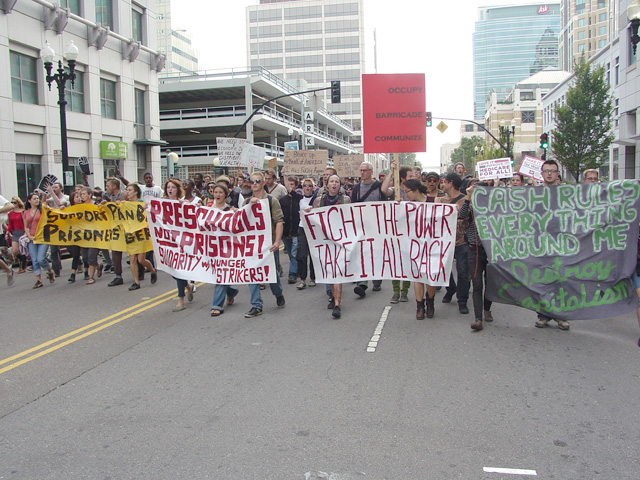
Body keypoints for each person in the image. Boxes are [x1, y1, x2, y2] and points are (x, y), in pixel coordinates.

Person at [243, 171, 285, 318]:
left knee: (271, 275)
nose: (254, 184)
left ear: (263, 183)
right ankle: (256, 305)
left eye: (258, 181)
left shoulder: (272, 201)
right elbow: (241, 222)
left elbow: (279, 221)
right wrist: (248, 206)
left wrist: (277, 242)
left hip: (268, 245)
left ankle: (278, 293)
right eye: (252, 181)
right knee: (252, 274)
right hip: (252, 245)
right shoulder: (246, 202)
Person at [535, 160, 570, 331]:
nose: (549, 173)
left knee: (561, 280)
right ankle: (543, 315)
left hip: (562, 243)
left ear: (558, 174)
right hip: (541, 244)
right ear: (541, 174)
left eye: (553, 171)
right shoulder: (533, 193)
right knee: (543, 280)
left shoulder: (567, 193)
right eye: (546, 170)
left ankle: (560, 316)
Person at [313, 174, 350, 318]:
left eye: (337, 181)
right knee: (329, 270)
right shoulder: (318, 201)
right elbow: (314, 220)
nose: (334, 184)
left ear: (340, 185)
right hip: (325, 240)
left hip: (340, 240)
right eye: (331, 181)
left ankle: (337, 304)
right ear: (326, 185)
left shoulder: (345, 200)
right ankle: (333, 297)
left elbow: (350, 218)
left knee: (338, 272)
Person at [459, 179, 493, 331]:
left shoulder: (494, 208)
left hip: (492, 250)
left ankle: (487, 308)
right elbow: (461, 215)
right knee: (477, 284)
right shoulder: (471, 207)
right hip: (474, 248)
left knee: (490, 283)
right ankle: (478, 318)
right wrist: (468, 197)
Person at [403, 179, 437, 319]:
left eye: (407, 192)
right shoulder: (407, 206)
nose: (406, 195)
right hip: (415, 245)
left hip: (433, 245)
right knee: (417, 276)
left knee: (430, 276)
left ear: (416, 190)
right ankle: (419, 305)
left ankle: (430, 301)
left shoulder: (435, 201)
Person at [351, 161, 386, 297]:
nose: (362, 173)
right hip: (361, 226)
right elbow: (353, 206)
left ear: (371, 172)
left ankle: (377, 280)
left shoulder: (378, 186)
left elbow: (384, 204)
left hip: (377, 225)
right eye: (360, 170)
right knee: (362, 254)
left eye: (364, 170)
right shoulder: (357, 188)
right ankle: (362, 283)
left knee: (375, 253)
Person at [439, 173, 470, 314]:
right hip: (445, 241)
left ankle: (462, 300)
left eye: (443, 182)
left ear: (450, 183)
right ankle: (450, 288)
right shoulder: (440, 201)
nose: (442, 185)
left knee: (463, 271)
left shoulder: (465, 200)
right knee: (442, 268)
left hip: (462, 241)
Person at [381, 160, 411, 303]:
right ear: (403, 178)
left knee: (407, 261)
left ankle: (405, 291)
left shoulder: (416, 191)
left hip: (410, 231)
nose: (414, 178)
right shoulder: (395, 190)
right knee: (395, 261)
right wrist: (391, 172)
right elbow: (384, 189)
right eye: (410, 176)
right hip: (395, 230)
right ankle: (395, 291)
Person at [164, 178, 195, 312]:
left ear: (178, 189)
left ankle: (180, 299)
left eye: (173, 187)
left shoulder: (183, 203)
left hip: (181, 242)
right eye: (168, 187)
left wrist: (185, 205)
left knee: (179, 270)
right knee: (172, 269)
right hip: (167, 241)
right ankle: (187, 286)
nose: (170, 190)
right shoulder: (162, 203)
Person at [209, 183, 239, 316]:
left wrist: (236, 213)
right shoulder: (207, 209)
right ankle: (231, 291)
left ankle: (217, 305)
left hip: (226, 247)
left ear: (226, 195)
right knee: (217, 274)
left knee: (221, 274)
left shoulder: (229, 210)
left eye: (220, 192)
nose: (217, 195)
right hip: (211, 247)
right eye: (215, 192)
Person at [123, 183, 158, 291]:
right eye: (127, 190)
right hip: (131, 234)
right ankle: (136, 282)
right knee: (132, 258)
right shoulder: (126, 204)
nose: (127, 192)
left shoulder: (142, 203)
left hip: (141, 234)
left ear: (136, 192)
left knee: (141, 259)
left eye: (129, 190)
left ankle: (152, 270)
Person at [23, 191, 55, 289]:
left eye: (37, 198)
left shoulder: (42, 209)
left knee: (41, 258)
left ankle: (49, 271)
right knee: (34, 259)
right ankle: (38, 279)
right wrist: (29, 236)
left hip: (43, 237)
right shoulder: (25, 212)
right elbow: (26, 226)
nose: (37, 200)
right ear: (29, 201)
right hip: (32, 238)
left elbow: (52, 212)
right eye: (34, 199)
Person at [279, 176, 302, 285]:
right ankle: (296, 268)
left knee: (293, 253)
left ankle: (292, 274)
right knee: (291, 254)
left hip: (296, 231)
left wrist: (285, 175)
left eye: (292, 184)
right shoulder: (282, 200)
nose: (290, 186)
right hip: (286, 231)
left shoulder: (299, 198)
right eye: (289, 184)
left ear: (296, 186)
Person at [296, 178, 318, 290]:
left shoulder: (317, 199)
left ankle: (313, 278)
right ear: (302, 187)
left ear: (313, 187)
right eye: (305, 185)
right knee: (302, 255)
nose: (307, 188)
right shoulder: (299, 199)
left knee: (313, 254)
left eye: (310, 185)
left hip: (313, 228)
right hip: (302, 228)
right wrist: (285, 174)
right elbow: (289, 190)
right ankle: (302, 279)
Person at [45, 182, 70, 277]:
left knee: (69, 246)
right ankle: (56, 270)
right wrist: (44, 194)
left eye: (56, 187)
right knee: (54, 249)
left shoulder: (66, 198)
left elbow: (59, 203)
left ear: (61, 188)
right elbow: (43, 203)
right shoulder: (51, 198)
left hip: (64, 226)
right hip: (54, 226)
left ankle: (79, 262)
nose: (54, 188)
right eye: (53, 187)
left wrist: (51, 192)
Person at [6, 197, 27, 273]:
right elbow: (10, 225)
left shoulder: (23, 212)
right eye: (11, 202)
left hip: (22, 231)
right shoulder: (10, 214)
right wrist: (8, 232)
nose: (13, 204)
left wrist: (26, 232)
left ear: (18, 203)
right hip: (15, 232)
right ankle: (22, 259)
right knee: (15, 251)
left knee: (22, 250)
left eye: (14, 202)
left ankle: (23, 266)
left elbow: (25, 223)